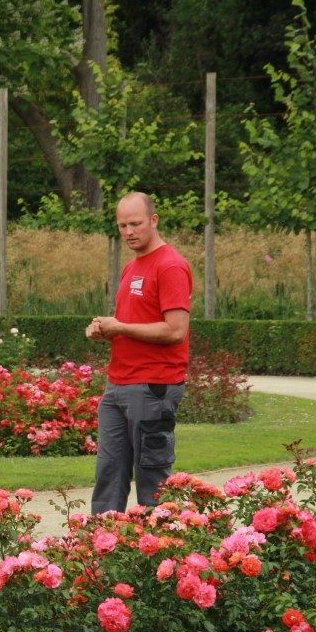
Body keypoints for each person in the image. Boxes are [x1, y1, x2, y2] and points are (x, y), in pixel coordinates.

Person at [86, 192, 193, 514]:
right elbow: (132, 325)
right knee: (108, 474)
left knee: (153, 480)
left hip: (153, 387)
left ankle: (157, 554)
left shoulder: (170, 265)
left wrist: (120, 327)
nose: (129, 231)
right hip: (118, 385)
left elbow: (175, 330)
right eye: (122, 226)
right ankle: (99, 550)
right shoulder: (131, 267)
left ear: (154, 220)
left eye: (136, 224)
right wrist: (105, 330)